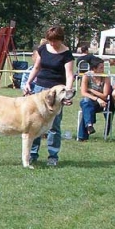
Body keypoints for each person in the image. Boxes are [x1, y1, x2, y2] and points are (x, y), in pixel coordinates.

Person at [23, 26, 74, 166]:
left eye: (55, 41)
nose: (52, 44)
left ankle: (53, 156)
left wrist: (68, 92)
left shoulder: (67, 54)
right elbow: (37, 68)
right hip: (40, 89)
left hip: (57, 92)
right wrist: (28, 82)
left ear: (61, 39)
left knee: (54, 126)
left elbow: (69, 75)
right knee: (36, 124)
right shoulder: (43, 49)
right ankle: (33, 154)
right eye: (50, 40)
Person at [77, 57, 113, 141]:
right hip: (91, 101)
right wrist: (97, 98)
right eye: (101, 68)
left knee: (86, 106)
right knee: (86, 102)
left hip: (101, 104)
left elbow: (105, 95)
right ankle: (89, 126)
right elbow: (83, 93)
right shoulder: (86, 75)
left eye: (103, 67)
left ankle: (85, 132)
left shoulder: (105, 77)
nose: (103, 69)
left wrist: (90, 90)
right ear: (94, 68)